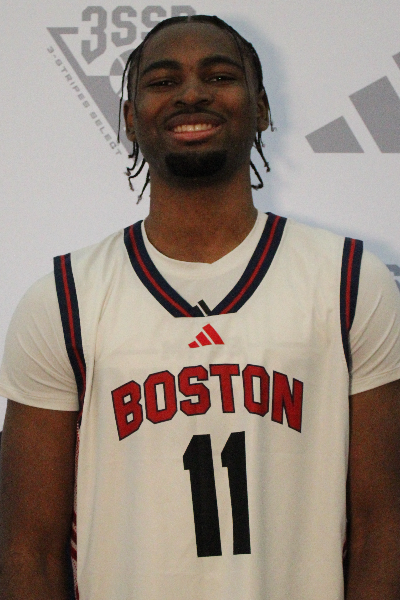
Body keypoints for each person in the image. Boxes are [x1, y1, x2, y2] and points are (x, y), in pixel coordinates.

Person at [1, 14, 400, 600]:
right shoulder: (64, 299)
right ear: (130, 117)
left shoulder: (349, 281)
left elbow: (381, 529)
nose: (192, 94)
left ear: (261, 108)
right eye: (163, 81)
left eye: (219, 76)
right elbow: (28, 551)